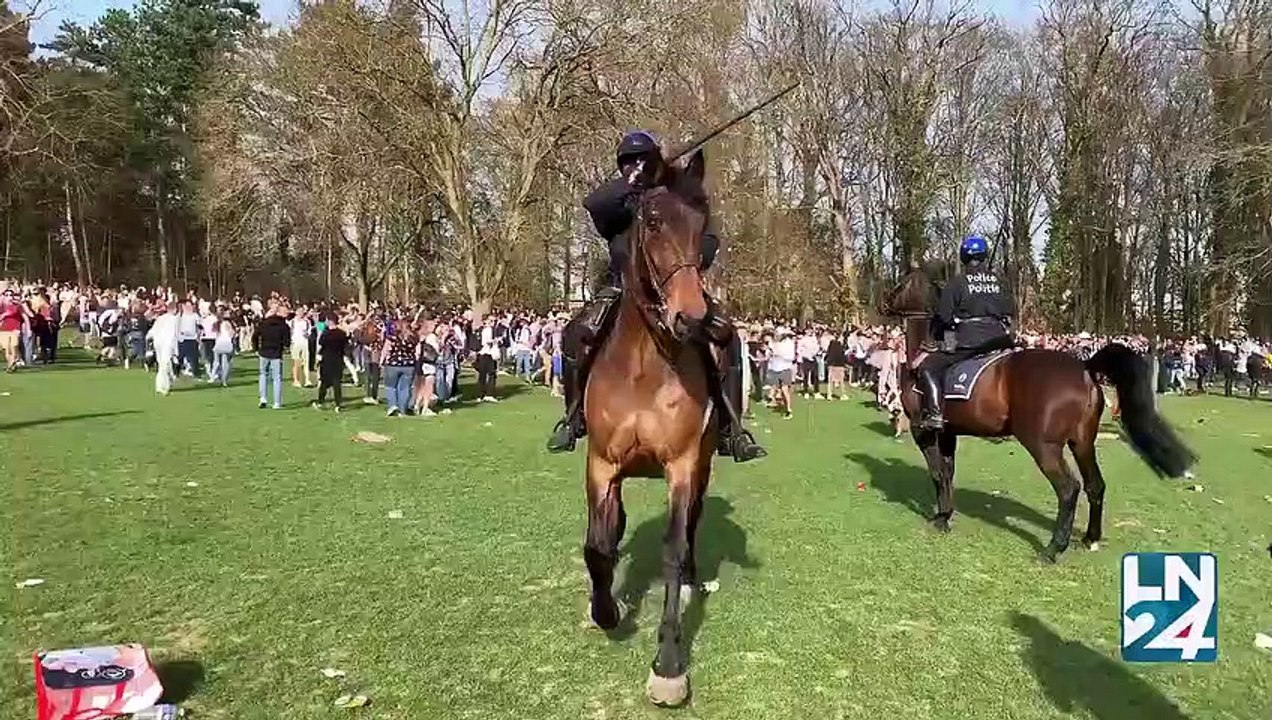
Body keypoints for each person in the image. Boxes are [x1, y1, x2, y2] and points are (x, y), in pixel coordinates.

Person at [545, 130, 764, 462]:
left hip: (676, 285)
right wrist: (634, 181)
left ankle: (731, 431)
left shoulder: (676, 200)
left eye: (642, 160)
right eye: (629, 162)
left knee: (726, 335)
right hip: (621, 286)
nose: (635, 165)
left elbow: (707, 241)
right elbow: (595, 205)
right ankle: (573, 418)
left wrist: (689, 261)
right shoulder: (621, 202)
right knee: (577, 332)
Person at [915, 234, 1015, 431]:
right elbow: (1010, 310)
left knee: (928, 367)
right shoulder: (1000, 282)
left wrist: (945, 335)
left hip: (971, 341)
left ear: (963, 256)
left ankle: (935, 414)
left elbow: (944, 316)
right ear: (984, 256)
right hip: (1001, 339)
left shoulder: (957, 283)